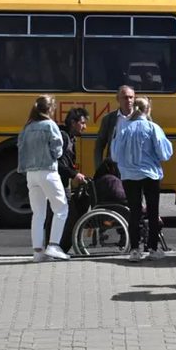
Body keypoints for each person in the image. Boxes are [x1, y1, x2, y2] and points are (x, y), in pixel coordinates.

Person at [112, 97, 174, 262]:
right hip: (149, 174)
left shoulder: (123, 128)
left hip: (129, 175)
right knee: (153, 212)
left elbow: (115, 154)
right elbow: (164, 153)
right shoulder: (152, 127)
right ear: (148, 110)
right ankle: (153, 249)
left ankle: (134, 250)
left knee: (135, 212)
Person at [16, 95, 71, 263]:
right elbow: (58, 150)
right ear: (50, 109)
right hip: (48, 171)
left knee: (38, 213)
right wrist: (53, 155)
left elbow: (20, 148)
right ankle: (54, 245)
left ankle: (38, 251)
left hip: (31, 174)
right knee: (61, 209)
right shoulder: (50, 125)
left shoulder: (27, 127)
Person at [59, 159, 126, 252]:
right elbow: (120, 197)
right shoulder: (111, 180)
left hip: (107, 213)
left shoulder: (101, 180)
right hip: (116, 213)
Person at [45, 108, 88, 247]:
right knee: (67, 214)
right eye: (82, 123)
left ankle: (55, 246)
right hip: (58, 183)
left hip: (62, 182)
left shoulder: (69, 138)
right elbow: (58, 164)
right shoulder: (63, 137)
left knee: (61, 214)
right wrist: (74, 174)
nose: (85, 126)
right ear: (73, 122)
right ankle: (56, 246)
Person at [95, 85, 136, 167]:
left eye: (131, 97)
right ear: (118, 99)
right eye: (125, 98)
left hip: (135, 170)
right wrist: (98, 167)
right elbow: (99, 146)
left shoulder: (142, 118)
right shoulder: (109, 119)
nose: (129, 100)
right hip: (115, 169)